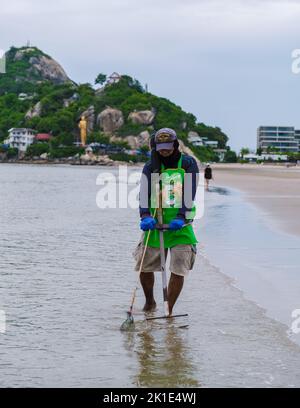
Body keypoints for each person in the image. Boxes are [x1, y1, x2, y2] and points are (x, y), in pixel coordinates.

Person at [133, 128, 199, 316]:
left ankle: (168, 309)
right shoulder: (150, 166)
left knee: (179, 268)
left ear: (175, 145)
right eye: (160, 148)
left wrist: (181, 217)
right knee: (144, 267)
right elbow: (144, 194)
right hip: (155, 223)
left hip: (180, 226)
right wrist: (144, 215)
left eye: (168, 147)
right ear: (155, 147)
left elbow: (189, 192)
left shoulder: (187, 163)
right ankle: (150, 303)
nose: (164, 151)